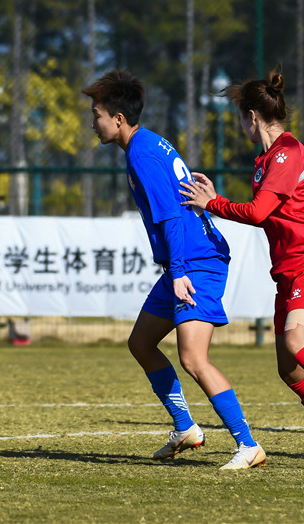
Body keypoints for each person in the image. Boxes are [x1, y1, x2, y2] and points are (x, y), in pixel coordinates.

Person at [179, 66, 304, 468]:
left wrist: (212, 202)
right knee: (289, 370)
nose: (241, 126)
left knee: (295, 343)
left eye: (241, 118)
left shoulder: (285, 152)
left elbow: (257, 212)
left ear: (252, 116)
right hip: (288, 273)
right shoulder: (266, 159)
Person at [83, 69, 266, 470]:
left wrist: (179, 270)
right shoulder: (147, 145)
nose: (92, 123)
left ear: (117, 118)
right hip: (186, 260)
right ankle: (185, 427)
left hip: (197, 262)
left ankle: (248, 444)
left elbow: (169, 216)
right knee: (141, 343)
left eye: (96, 114)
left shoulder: (142, 153)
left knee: (193, 358)